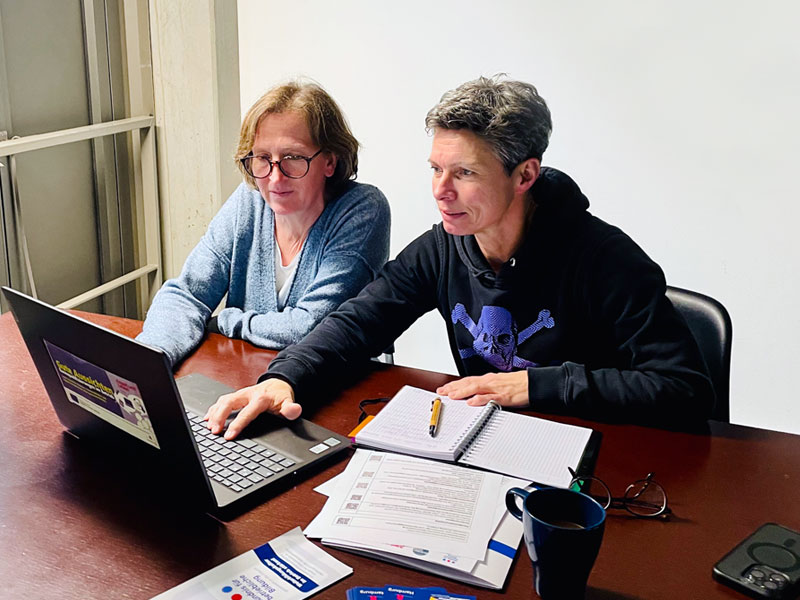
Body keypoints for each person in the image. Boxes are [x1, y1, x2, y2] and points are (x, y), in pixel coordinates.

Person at [205, 75, 714, 439]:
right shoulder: (445, 247)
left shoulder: (606, 261)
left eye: (464, 174)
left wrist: (535, 385)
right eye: (435, 170)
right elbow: (357, 323)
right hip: (488, 449)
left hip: (596, 475)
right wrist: (281, 379)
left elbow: (685, 390)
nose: (440, 192)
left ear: (525, 176)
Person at [136, 81, 390, 367]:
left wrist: (228, 321)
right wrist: (151, 360)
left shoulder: (362, 209)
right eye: (263, 158)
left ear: (330, 161)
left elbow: (311, 327)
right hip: (249, 380)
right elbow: (186, 294)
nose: (274, 178)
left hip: (334, 386)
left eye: (293, 158)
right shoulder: (249, 202)